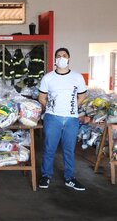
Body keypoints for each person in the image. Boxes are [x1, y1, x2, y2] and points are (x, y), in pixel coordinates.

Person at [38, 47, 87, 191]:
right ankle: (46, 175)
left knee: (69, 150)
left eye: (64, 55)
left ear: (69, 59)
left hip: (71, 119)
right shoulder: (48, 77)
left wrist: (74, 107)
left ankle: (70, 178)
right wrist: (52, 106)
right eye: (58, 56)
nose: (61, 58)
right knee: (49, 148)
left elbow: (82, 95)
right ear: (55, 59)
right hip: (52, 118)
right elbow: (41, 97)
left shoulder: (77, 77)